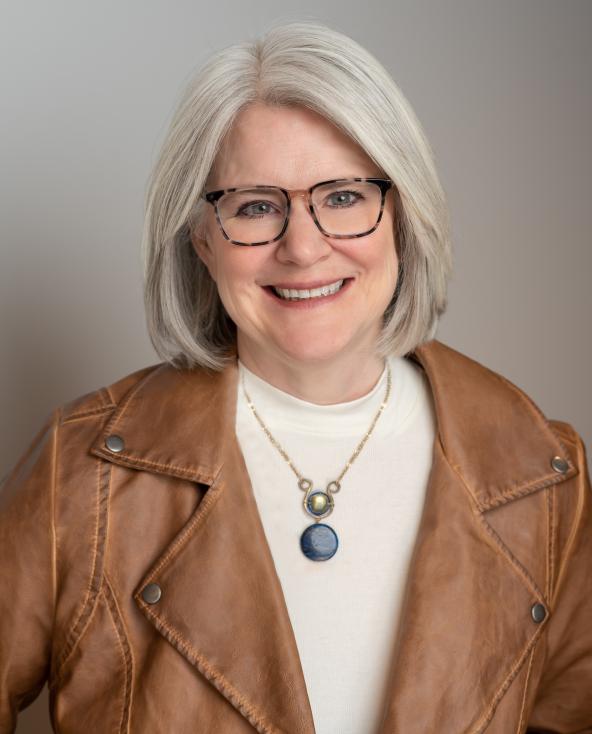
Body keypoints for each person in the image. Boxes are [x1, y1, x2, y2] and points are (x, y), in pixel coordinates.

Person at [0, 20, 590, 734]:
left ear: (400, 216)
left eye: (343, 197)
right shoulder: (81, 470)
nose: (304, 247)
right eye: (256, 206)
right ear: (202, 238)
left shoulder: (545, 477)